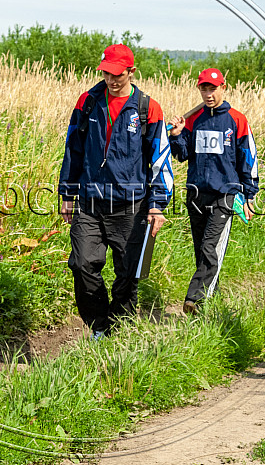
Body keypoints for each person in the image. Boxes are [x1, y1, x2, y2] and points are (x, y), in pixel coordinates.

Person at [58, 44, 174, 339]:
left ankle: (119, 329)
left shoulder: (148, 108)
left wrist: (157, 204)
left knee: (128, 273)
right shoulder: (88, 101)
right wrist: (67, 195)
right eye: (106, 73)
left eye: (117, 74)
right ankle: (99, 325)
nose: (111, 80)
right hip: (89, 202)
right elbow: (73, 149)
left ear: (131, 72)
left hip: (130, 206)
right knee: (82, 264)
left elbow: (160, 159)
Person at [167, 68, 259, 315]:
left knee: (210, 246)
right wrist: (176, 135)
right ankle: (211, 304)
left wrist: (249, 195)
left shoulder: (237, 120)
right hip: (196, 193)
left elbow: (248, 157)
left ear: (223, 88)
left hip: (225, 194)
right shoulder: (194, 120)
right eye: (204, 89)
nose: (208, 94)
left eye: (213, 88)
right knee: (201, 252)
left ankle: (193, 299)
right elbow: (182, 154)